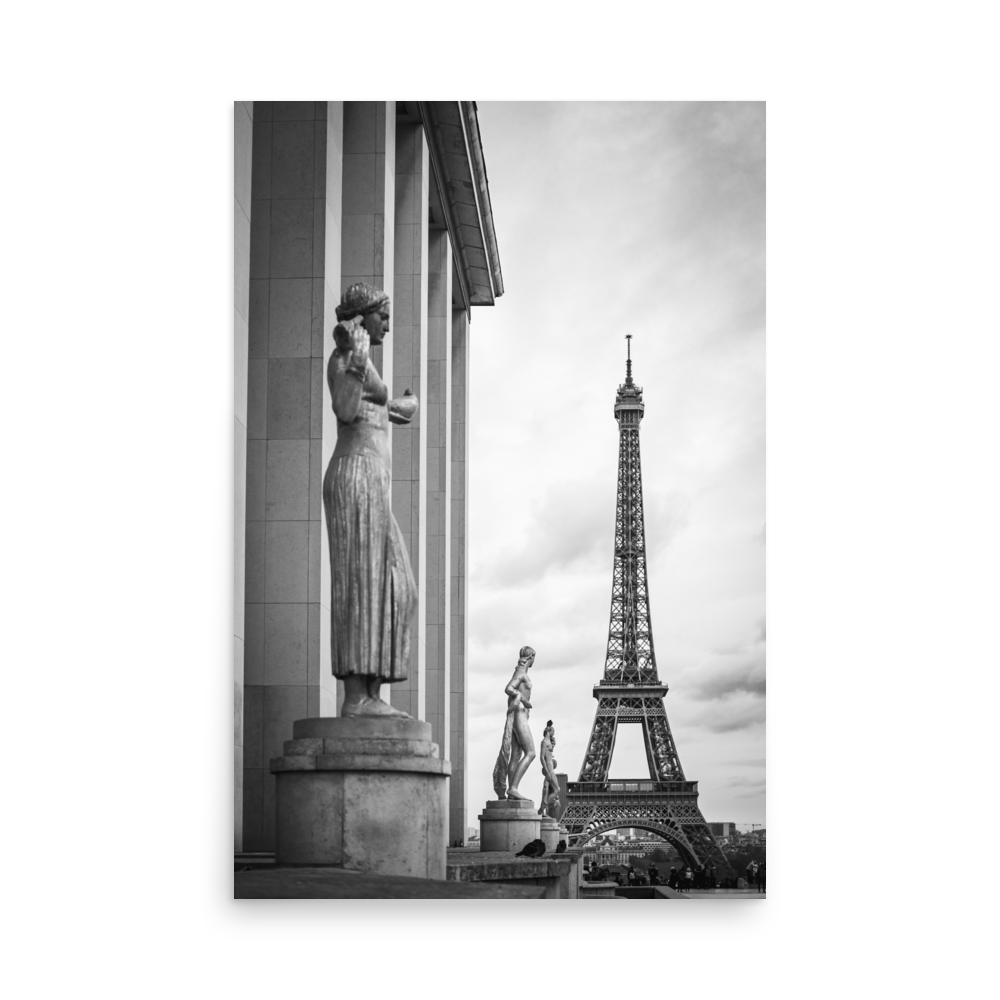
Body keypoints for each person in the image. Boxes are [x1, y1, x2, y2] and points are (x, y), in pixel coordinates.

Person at [325, 283, 418, 717]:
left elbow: (378, 406)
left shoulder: (362, 358)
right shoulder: (345, 356)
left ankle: (372, 693)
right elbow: (345, 409)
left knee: (400, 588)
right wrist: (360, 359)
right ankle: (357, 699)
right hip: (355, 476)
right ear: (364, 316)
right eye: (384, 315)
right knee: (362, 585)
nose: (388, 325)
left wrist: (405, 405)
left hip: (373, 481)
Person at [492, 646, 537, 799]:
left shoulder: (520, 672)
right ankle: (513, 788)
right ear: (531, 657)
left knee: (516, 755)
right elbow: (509, 688)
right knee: (531, 753)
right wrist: (523, 699)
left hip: (520, 715)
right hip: (520, 715)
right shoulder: (521, 673)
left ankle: (512, 792)